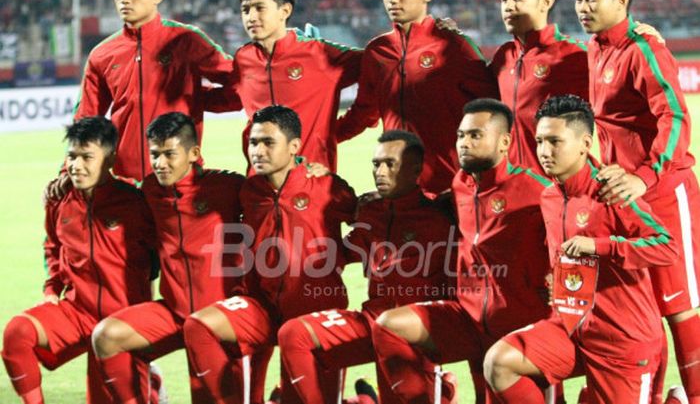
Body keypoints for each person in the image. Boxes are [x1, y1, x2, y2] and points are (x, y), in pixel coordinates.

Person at [484, 94, 678, 403]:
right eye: (540, 142)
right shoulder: (549, 197)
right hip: (569, 328)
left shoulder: (613, 190)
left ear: (585, 144)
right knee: (499, 362)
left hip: (622, 342)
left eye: (555, 142)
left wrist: (601, 247)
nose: (544, 152)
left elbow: (667, 247)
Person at [573, 0, 700, 403]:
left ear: (621, 0)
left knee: (678, 305)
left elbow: (676, 118)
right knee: (640, 306)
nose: (582, 6)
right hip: (622, 198)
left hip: (663, 192)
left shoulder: (645, 48)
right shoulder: (594, 47)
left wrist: (645, 178)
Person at [370, 99, 554, 404]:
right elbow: (432, 204)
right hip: (467, 319)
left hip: (518, 327)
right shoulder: (461, 185)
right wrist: (382, 200)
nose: (463, 144)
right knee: (390, 326)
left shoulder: (536, 190)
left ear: (504, 142)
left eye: (474, 135)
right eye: (460, 135)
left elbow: (574, 229)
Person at [181, 105, 357, 403]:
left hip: (313, 316)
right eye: (253, 142)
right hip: (261, 311)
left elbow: (369, 219)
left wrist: (340, 255)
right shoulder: (249, 191)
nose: (258, 151)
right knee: (199, 326)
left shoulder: (326, 187)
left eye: (268, 143)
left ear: (294, 147)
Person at [90, 113, 269, 404]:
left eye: (169, 154)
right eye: (154, 155)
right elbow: (113, 195)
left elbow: (273, 190)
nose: (160, 163)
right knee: (106, 336)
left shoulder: (225, 187)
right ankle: (149, 394)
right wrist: (62, 187)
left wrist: (307, 169)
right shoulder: (149, 191)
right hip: (175, 315)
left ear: (194, 153)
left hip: (224, 318)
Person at [277, 129, 457, 404]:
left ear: (416, 169)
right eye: (376, 164)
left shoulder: (441, 217)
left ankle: (441, 392)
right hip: (371, 322)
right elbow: (342, 252)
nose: (380, 172)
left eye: (390, 164)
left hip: (415, 334)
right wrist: (326, 184)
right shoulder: (371, 212)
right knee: (294, 333)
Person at [2, 117, 156, 404]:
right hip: (77, 312)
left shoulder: (136, 203)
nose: (76, 165)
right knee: (17, 334)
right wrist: (51, 289)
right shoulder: (59, 201)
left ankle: (151, 385)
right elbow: (53, 246)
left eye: (87, 157)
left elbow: (161, 255)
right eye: (72, 156)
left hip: (121, 322)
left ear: (110, 158)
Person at [337, 0, 499, 196]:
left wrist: (477, 178)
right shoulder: (377, 52)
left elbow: (494, 114)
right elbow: (363, 114)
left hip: (448, 194)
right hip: (396, 193)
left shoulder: (454, 47)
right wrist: (315, 140)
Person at [72, 0, 236, 182]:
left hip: (181, 180)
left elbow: (240, 82)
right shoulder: (101, 54)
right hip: (126, 184)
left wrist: (199, 98)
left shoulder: (186, 40)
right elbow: (85, 121)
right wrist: (68, 170)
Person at [211, 0, 362, 172]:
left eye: (259, 8)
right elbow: (229, 98)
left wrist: (340, 131)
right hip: (261, 189)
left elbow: (380, 66)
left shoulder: (318, 53)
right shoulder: (244, 59)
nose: (251, 17)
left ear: (285, 10)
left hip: (311, 186)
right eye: (245, 10)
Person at [490, 0, 589, 169]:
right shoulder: (503, 57)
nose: (508, 6)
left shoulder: (575, 55)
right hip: (513, 187)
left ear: (545, 2)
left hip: (556, 187)